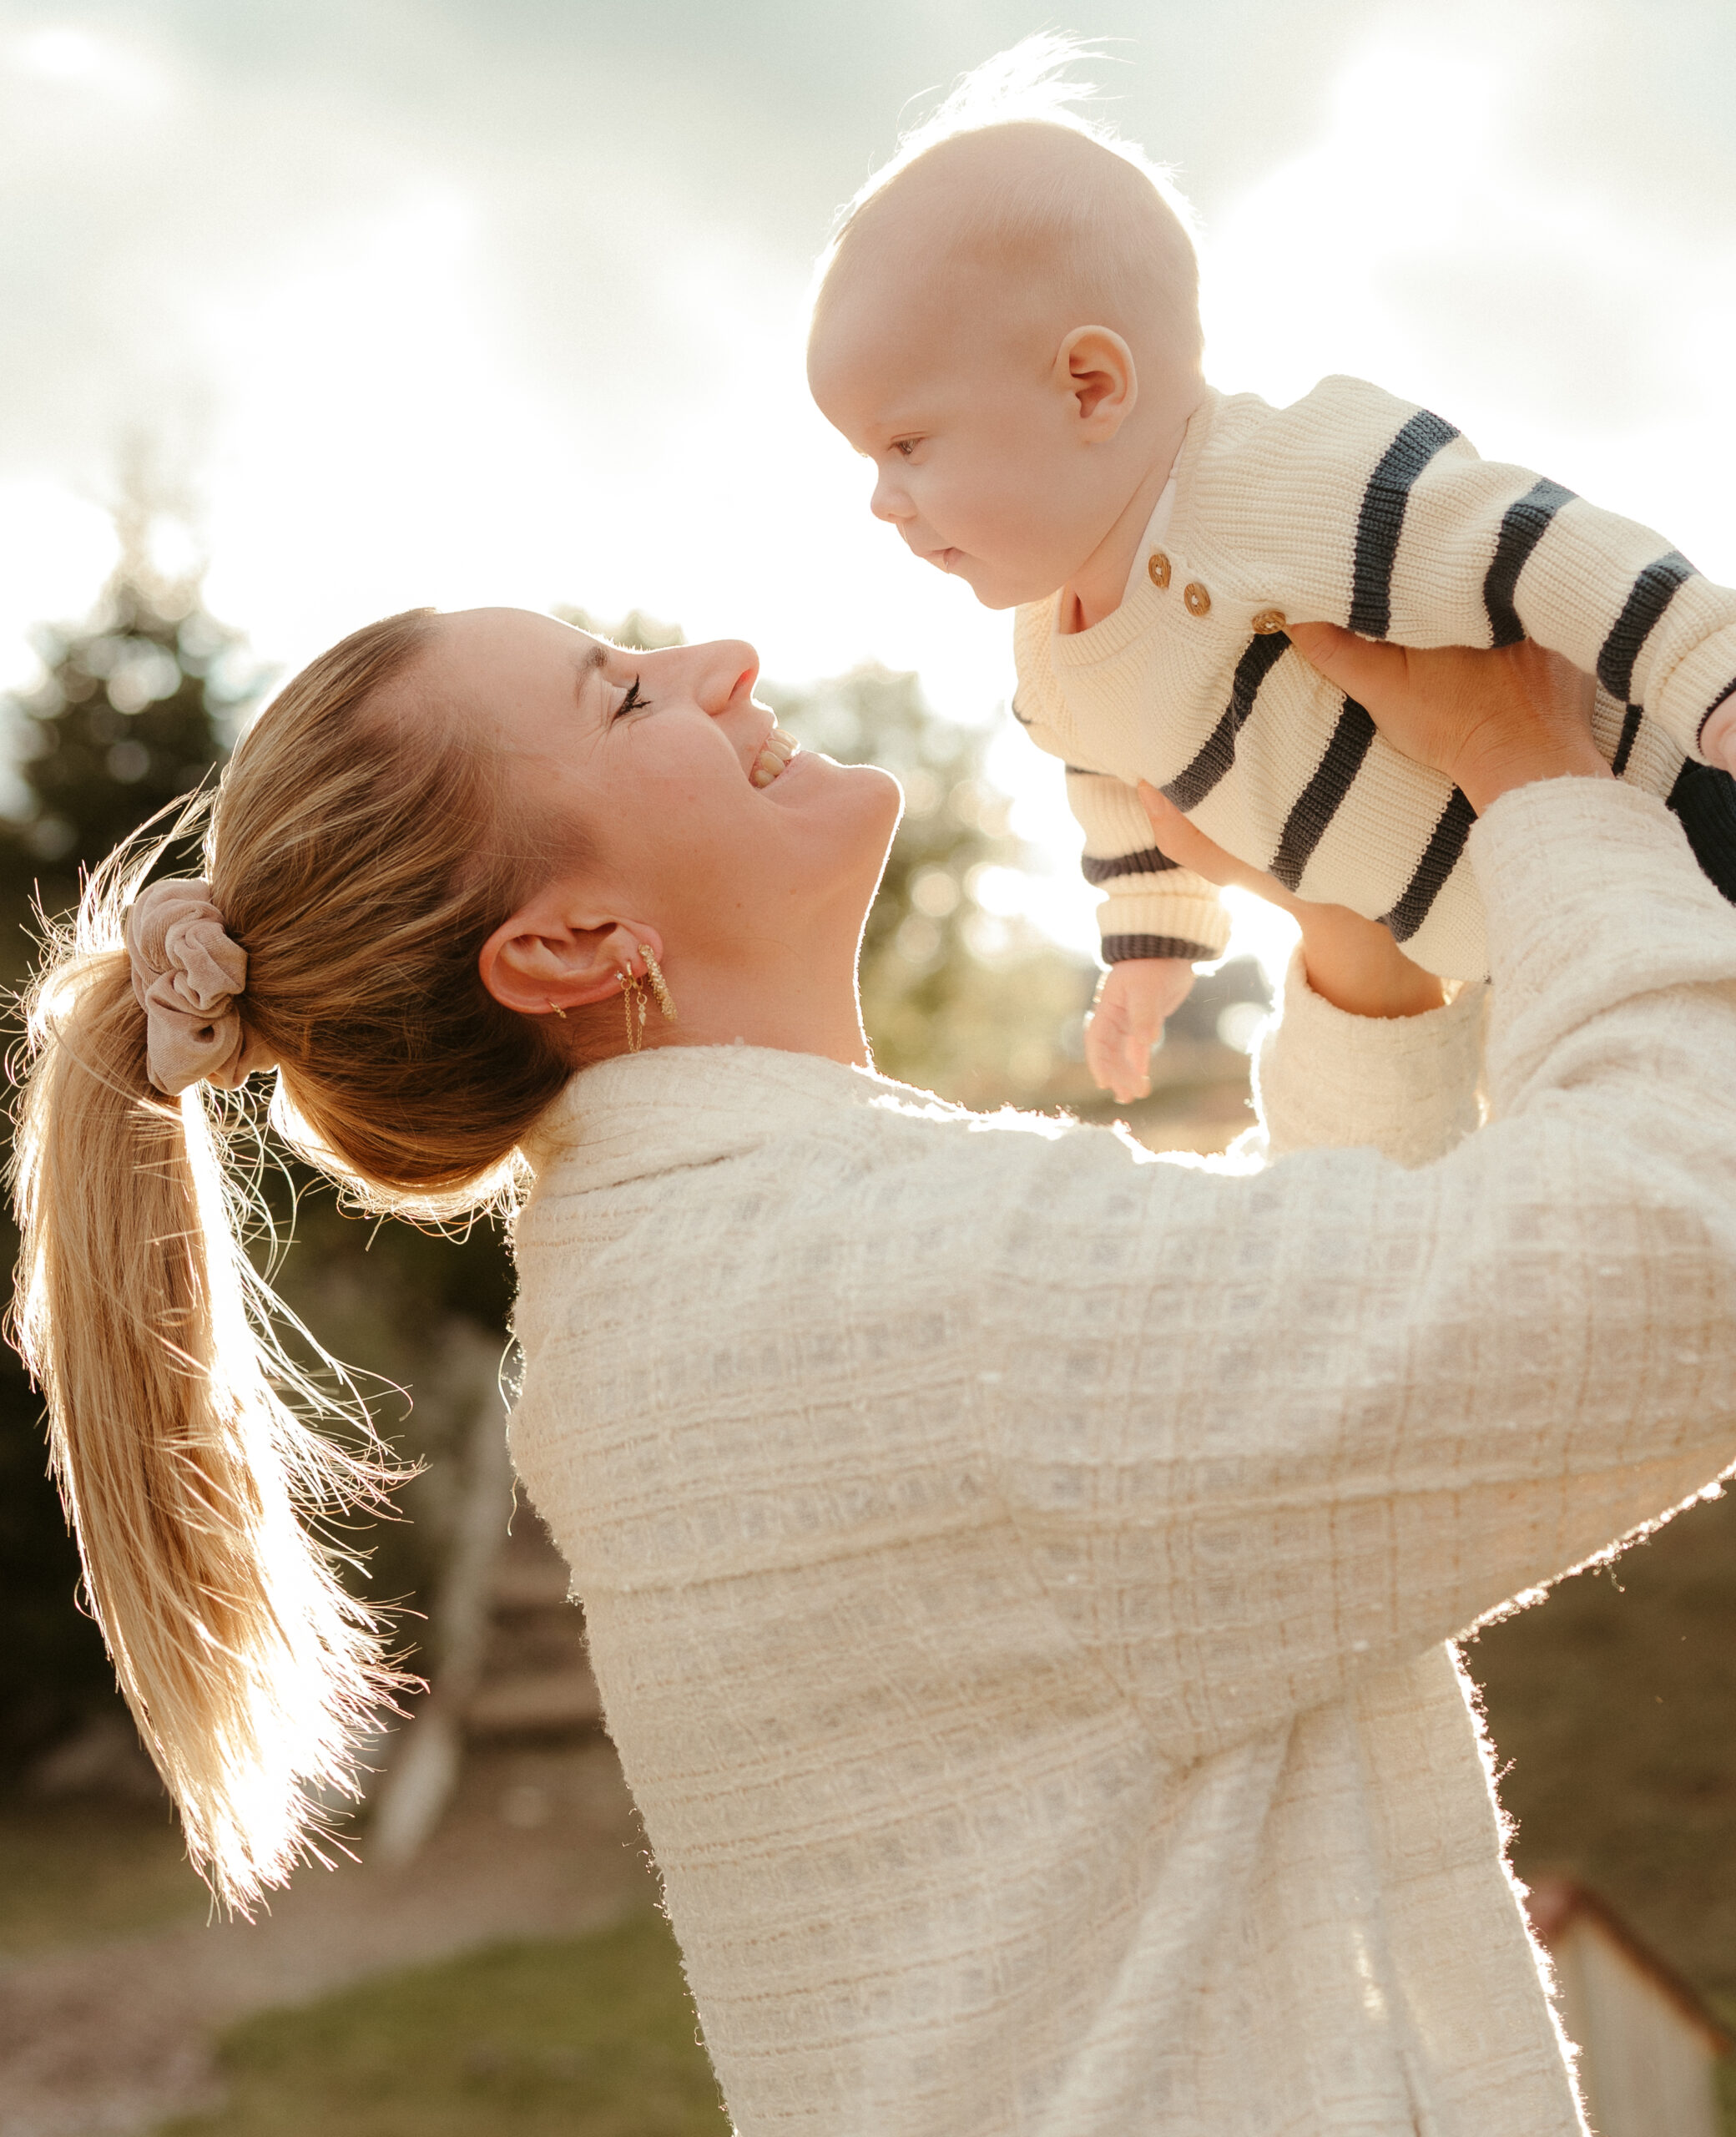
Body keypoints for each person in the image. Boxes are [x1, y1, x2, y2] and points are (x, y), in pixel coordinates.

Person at [13, 600, 1736, 2136]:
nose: (722, 664)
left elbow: (1229, 1468)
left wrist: (1354, 979)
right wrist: (1539, 780)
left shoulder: (714, 1278)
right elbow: (1679, 1252)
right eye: (623, 696)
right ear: (568, 943)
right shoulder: (877, 1283)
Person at [805, 39, 1736, 1104]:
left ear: (1089, 388)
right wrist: (1151, 946)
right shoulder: (1053, 669)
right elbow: (1119, 793)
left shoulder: (1274, 480)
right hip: (1520, 945)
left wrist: (1704, 666)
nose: (883, 500)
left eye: (909, 445)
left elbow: (1525, 539)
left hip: (1676, 809)